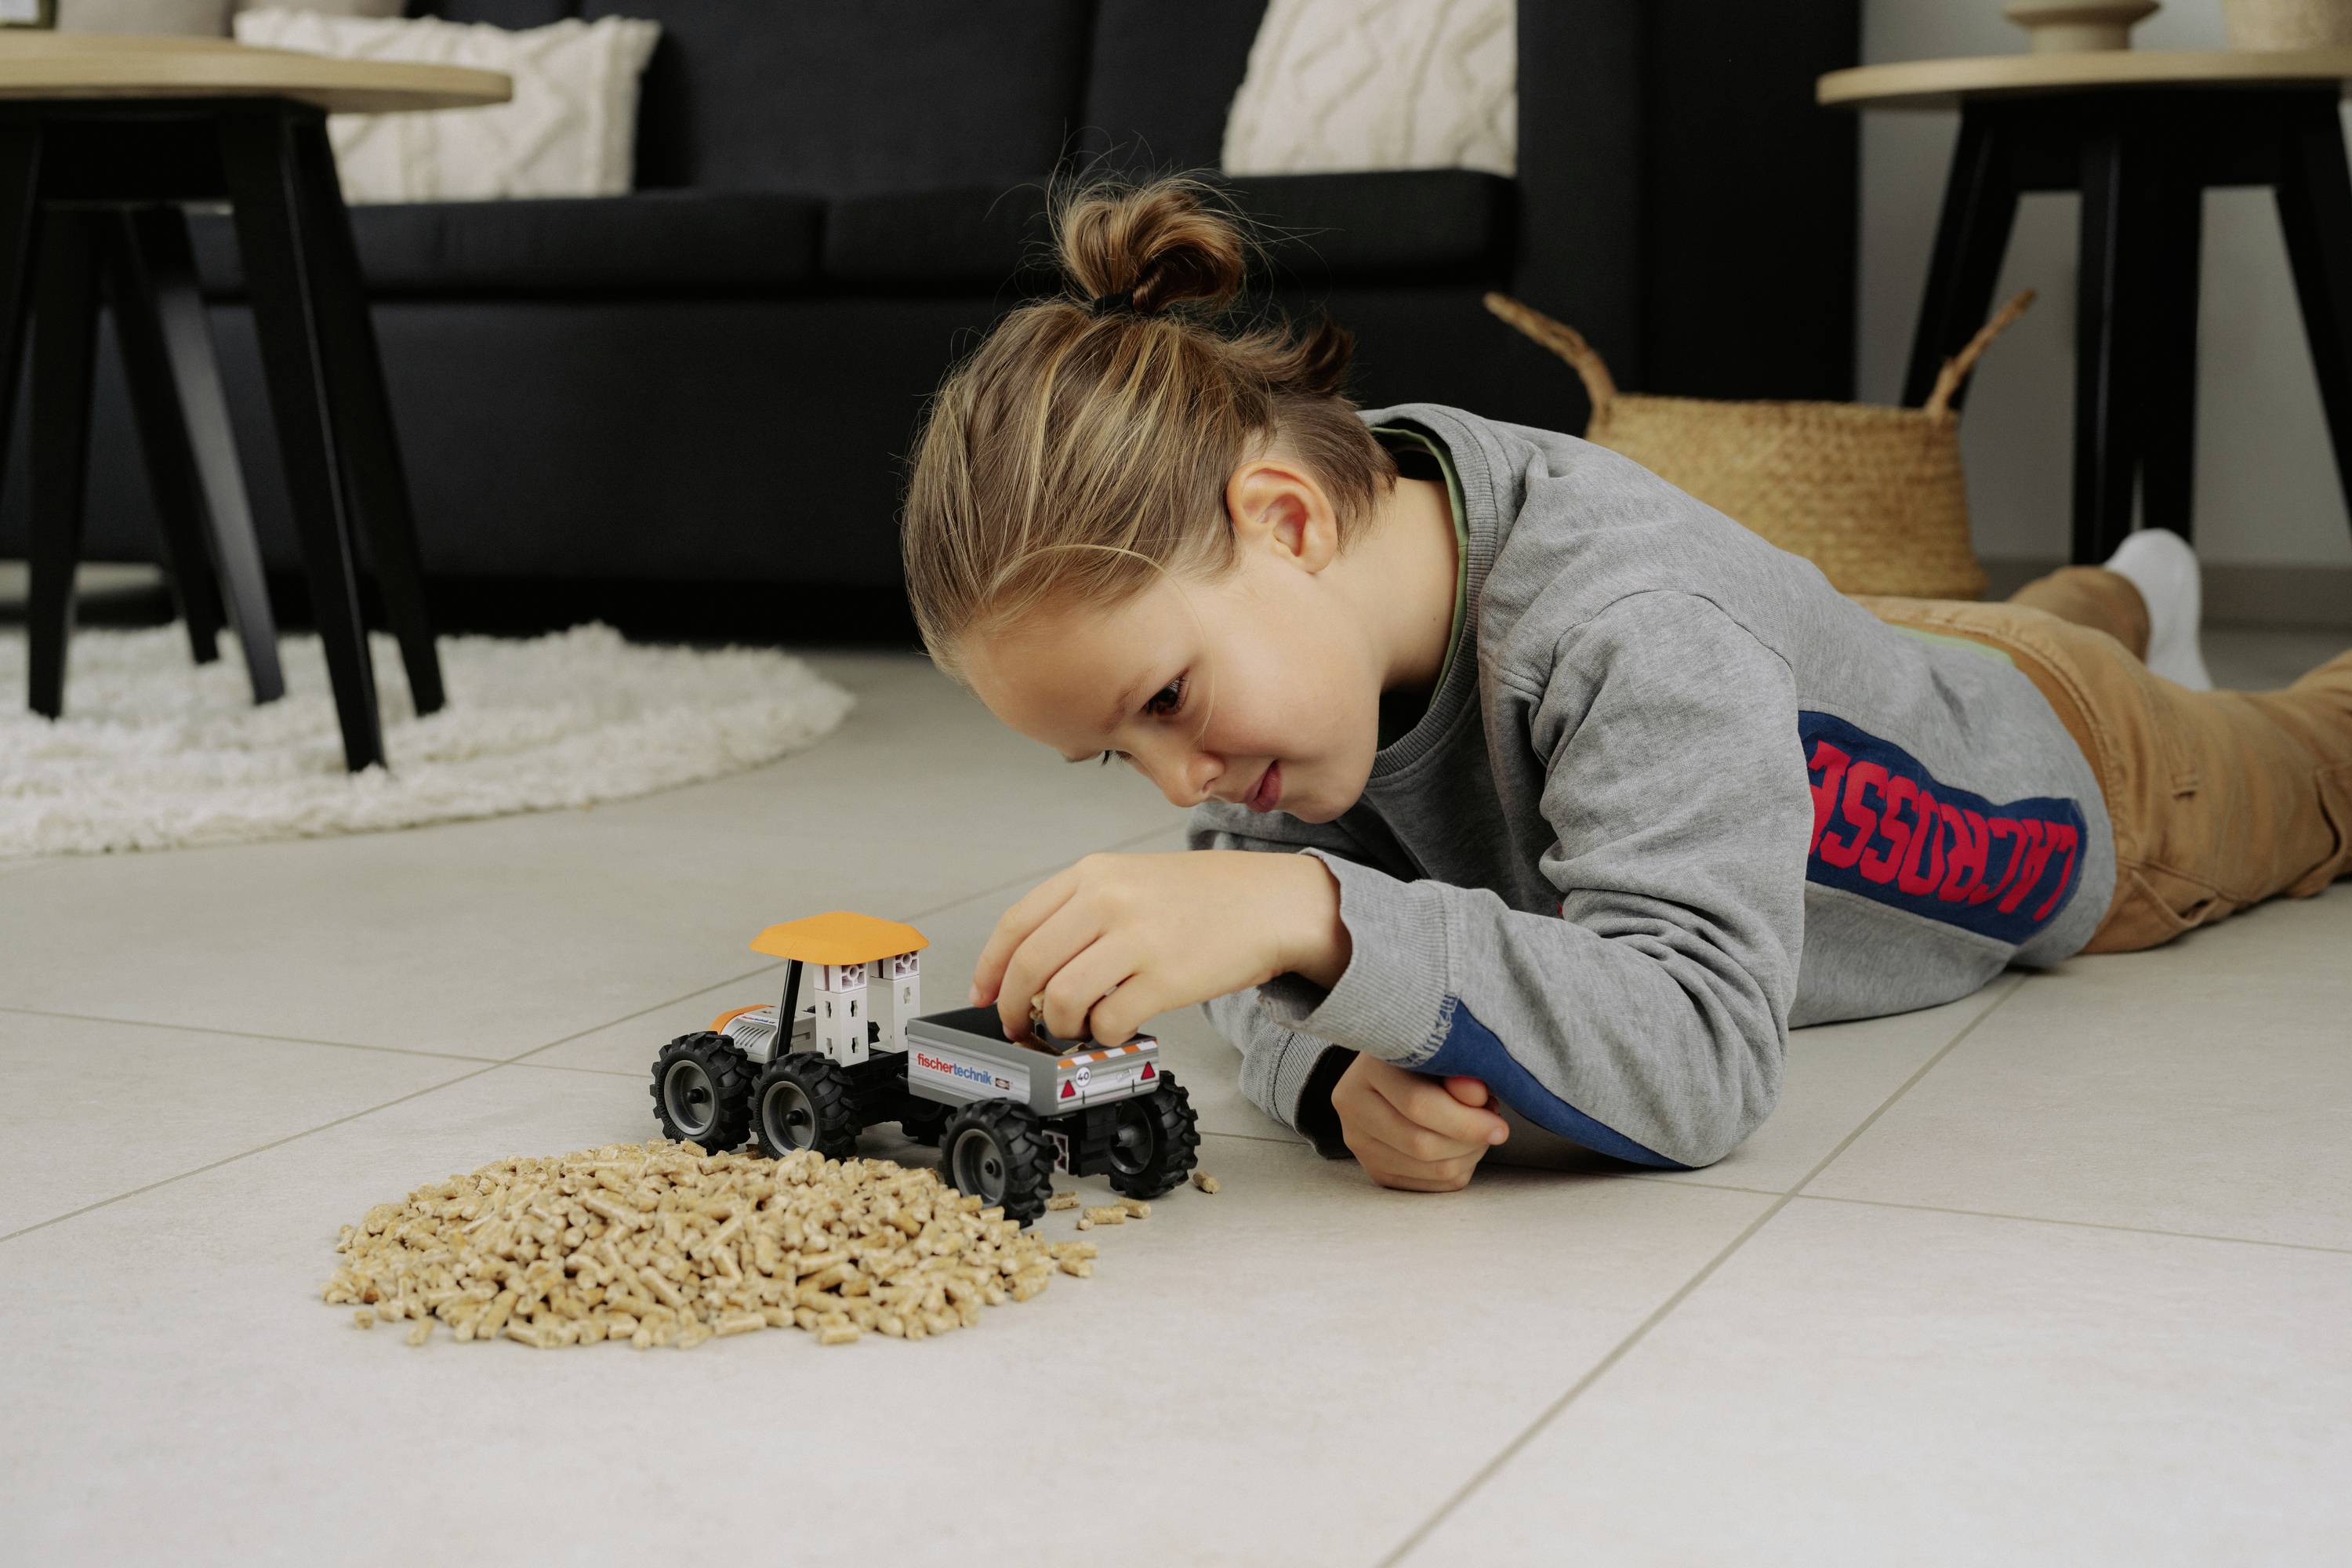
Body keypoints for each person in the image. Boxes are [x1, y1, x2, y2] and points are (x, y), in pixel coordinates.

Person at [897, 176, 2352, 1192]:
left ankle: (2128, 628)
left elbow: (1706, 1057)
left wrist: (1316, 914)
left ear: (1284, 519)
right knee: (1978, 637)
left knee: (2310, 748)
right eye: (1120, 758)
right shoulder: (1343, 577)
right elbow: (1258, 951)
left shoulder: (1627, 628)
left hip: (2090, 784)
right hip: (1865, 657)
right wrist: (1334, 1080)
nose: (1182, 789)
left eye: (1163, 705)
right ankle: (2127, 588)